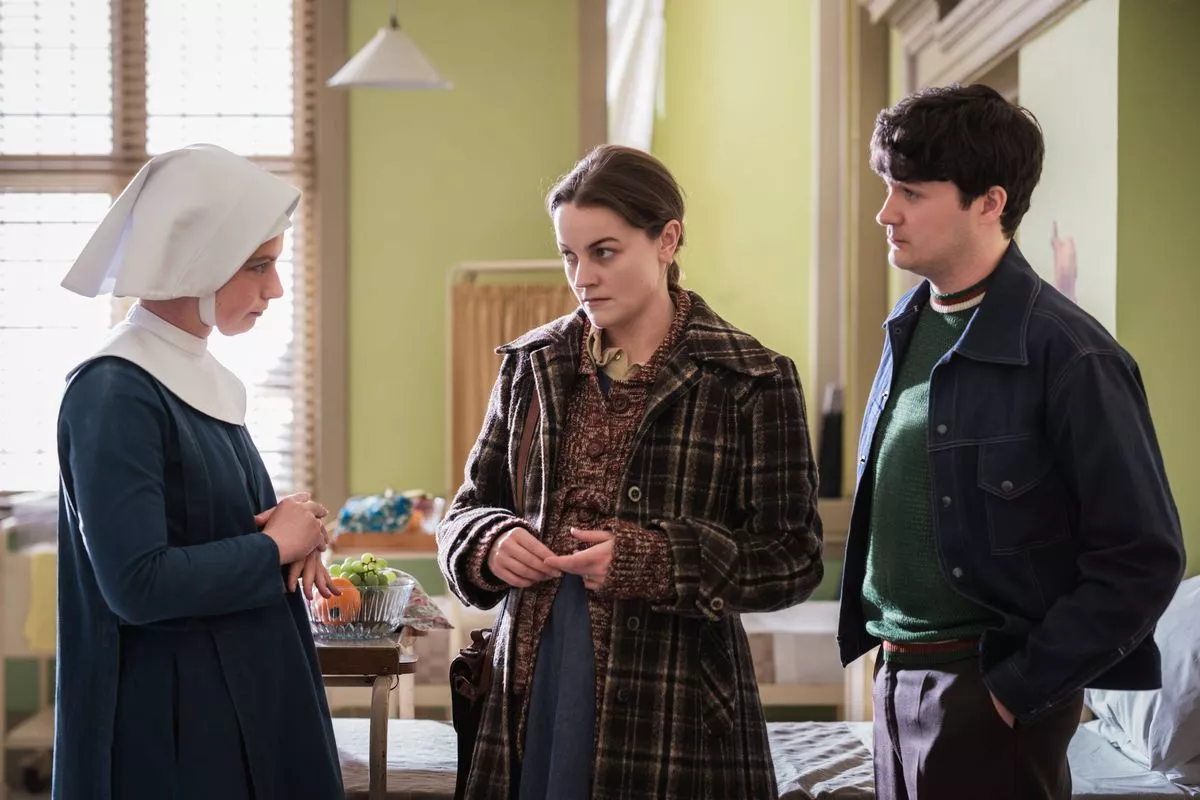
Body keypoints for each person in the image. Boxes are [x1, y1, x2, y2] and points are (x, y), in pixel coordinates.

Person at [437, 144, 824, 799]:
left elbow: (794, 559)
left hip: (675, 705)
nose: (582, 277)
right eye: (569, 255)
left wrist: (656, 560)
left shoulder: (751, 379)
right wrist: (488, 542)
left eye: (605, 252)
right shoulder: (531, 364)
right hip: (530, 683)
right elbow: (465, 511)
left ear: (667, 240)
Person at [838, 84, 1186, 800]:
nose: (886, 211)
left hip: (987, 689)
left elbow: (1143, 558)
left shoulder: (1071, 353)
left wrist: (1013, 691)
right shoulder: (909, 324)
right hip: (896, 675)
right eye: (887, 187)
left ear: (989, 202)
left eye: (911, 192)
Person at [53, 144, 345, 799]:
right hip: (172, 727)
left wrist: (288, 528)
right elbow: (137, 583)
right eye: (259, 266)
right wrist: (272, 547)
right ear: (196, 259)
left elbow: (203, 527)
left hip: (230, 694)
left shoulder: (195, 374)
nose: (275, 289)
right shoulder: (115, 389)